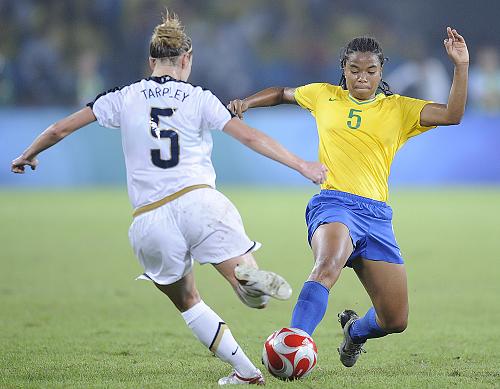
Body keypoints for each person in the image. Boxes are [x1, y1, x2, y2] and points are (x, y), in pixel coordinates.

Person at [11, 10, 328, 386]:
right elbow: (250, 137)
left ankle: (245, 371)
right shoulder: (199, 97)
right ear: (186, 60)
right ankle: (247, 279)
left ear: (151, 61)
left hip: (150, 218)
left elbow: (60, 128)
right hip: (200, 202)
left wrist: (28, 153)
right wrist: (302, 165)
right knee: (251, 295)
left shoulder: (122, 96)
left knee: (189, 300)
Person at [228, 27, 468, 368]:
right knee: (327, 266)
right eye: (354, 70)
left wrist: (461, 65)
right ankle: (295, 343)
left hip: (377, 216)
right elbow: (282, 93)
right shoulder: (323, 96)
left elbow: (452, 115)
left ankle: (354, 332)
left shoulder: (398, 109)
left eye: (370, 71)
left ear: (381, 71)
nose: (361, 78)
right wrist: (246, 103)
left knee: (394, 319)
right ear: (344, 68)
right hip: (335, 203)